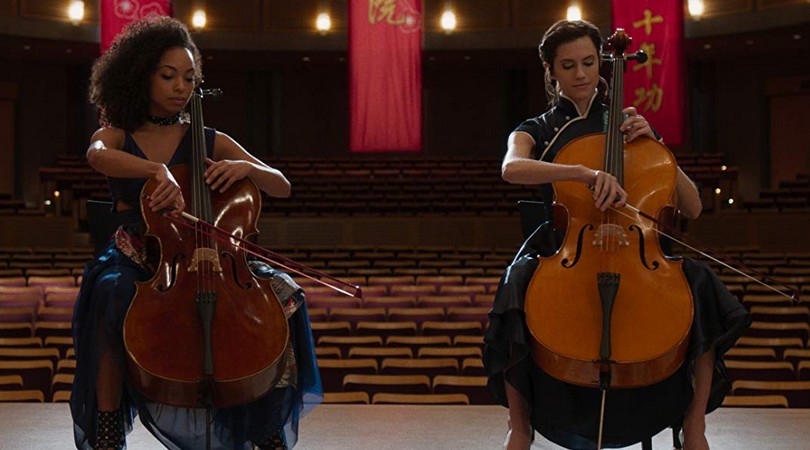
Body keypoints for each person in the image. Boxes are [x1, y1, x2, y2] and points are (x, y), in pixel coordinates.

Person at [482, 20, 750, 450]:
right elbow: (511, 168)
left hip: (635, 247)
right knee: (514, 284)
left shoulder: (628, 125)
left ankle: (694, 423)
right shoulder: (536, 127)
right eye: (568, 65)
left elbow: (694, 206)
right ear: (551, 72)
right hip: (566, 244)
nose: (581, 73)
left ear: (602, 64)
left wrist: (660, 149)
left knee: (702, 286)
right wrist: (584, 173)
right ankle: (520, 425)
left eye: (589, 62)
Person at [70, 16, 321, 450]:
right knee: (110, 295)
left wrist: (249, 168)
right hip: (141, 255)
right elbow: (96, 156)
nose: (181, 87)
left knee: (285, 294)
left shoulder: (208, 138)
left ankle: (265, 428)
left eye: (189, 77)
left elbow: (281, 183)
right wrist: (155, 170)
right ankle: (108, 428)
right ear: (140, 75)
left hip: (212, 254)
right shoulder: (117, 136)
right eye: (168, 76)